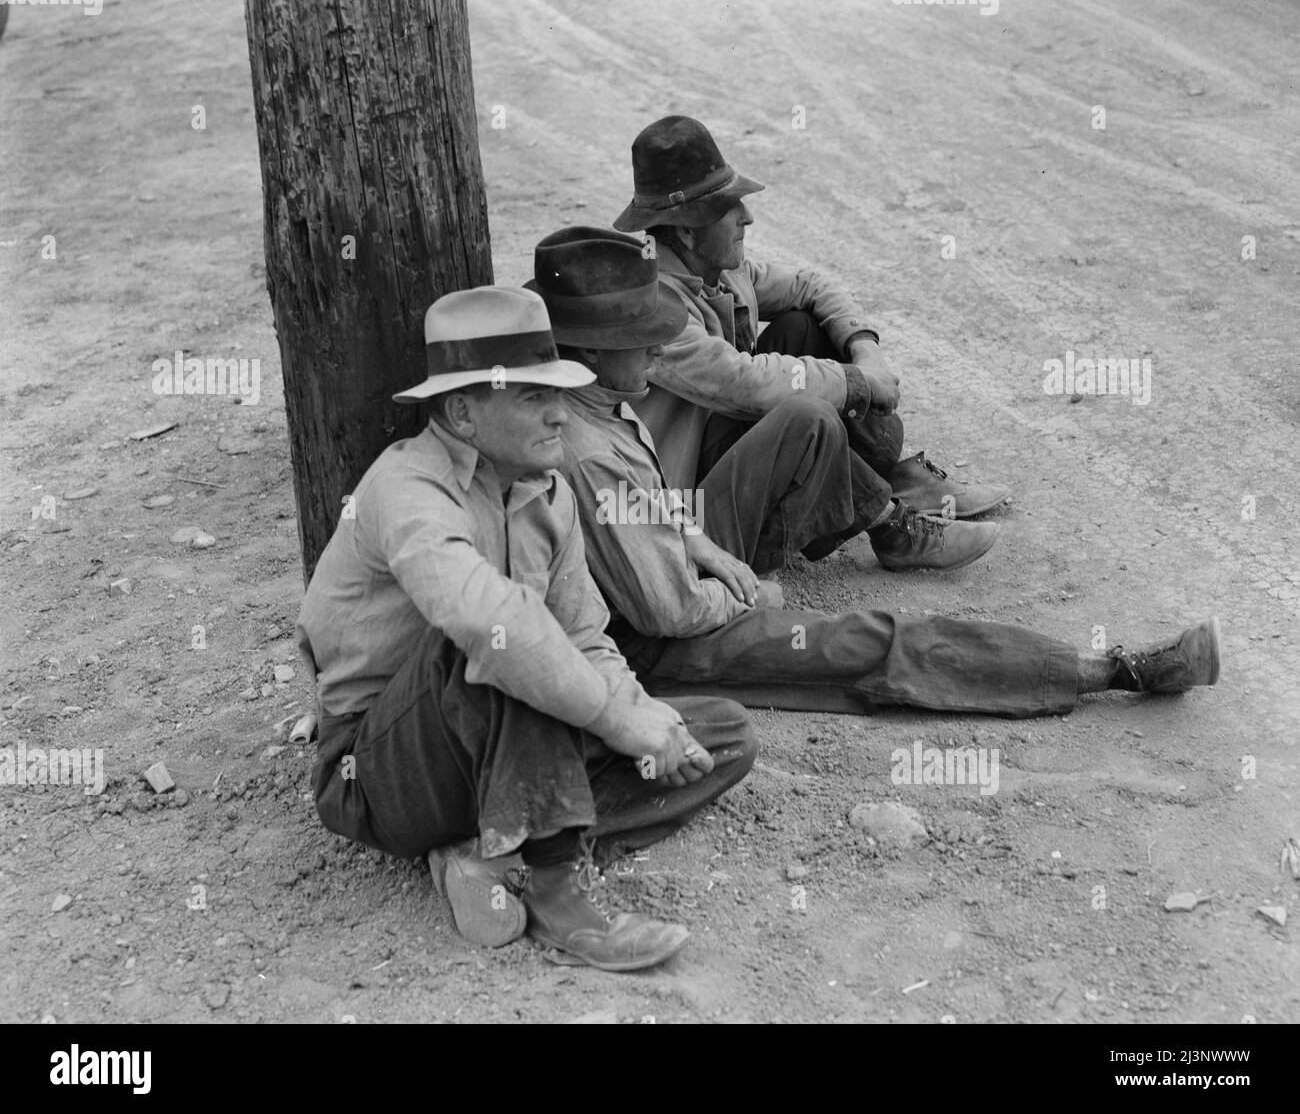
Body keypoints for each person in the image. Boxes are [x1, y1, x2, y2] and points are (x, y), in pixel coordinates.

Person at [532, 227, 1221, 717]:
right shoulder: (587, 446)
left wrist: (704, 547)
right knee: (867, 644)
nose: (658, 345)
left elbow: (651, 512)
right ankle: (1107, 671)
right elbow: (668, 611)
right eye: (638, 336)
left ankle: (1087, 660)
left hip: (670, 585)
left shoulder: (599, 407)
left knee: (850, 619)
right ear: (591, 350)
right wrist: (748, 598)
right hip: (654, 647)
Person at [294, 285, 757, 972]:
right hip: (383, 765)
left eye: (559, 393)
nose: (559, 414)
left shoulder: (549, 493)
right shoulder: (406, 488)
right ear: (462, 412)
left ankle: (490, 849)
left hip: (504, 745)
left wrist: (642, 714)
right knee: (504, 638)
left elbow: (586, 636)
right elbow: (490, 621)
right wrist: (614, 720)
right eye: (534, 396)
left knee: (721, 735)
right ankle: (558, 887)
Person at [612, 115, 1013, 572]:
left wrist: (865, 349)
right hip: (695, 509)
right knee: (799, 412)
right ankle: (889, 524)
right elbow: (742, 384)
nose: (748, 217)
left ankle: (891, 479)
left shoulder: (714, 266)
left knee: (803, 327)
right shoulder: (654, 307)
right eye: (731, 209)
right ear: (686, 229)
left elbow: (810, 284)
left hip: (728, 443)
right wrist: (859, 381)